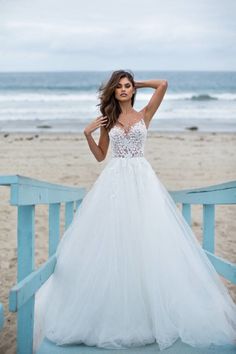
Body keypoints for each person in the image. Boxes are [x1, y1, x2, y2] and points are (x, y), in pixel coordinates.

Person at [33, 70, 236, 353]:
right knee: (115, 243)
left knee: (148, 241)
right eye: (120, 86)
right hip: (114, 182)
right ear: (113, 91)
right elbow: (100, 156)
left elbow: (163, 84)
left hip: (143, 182)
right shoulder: (108, 121)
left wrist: (138, 82)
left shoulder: (144, 114)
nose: (125, 90)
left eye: (128, 86)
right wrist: (87, 133)